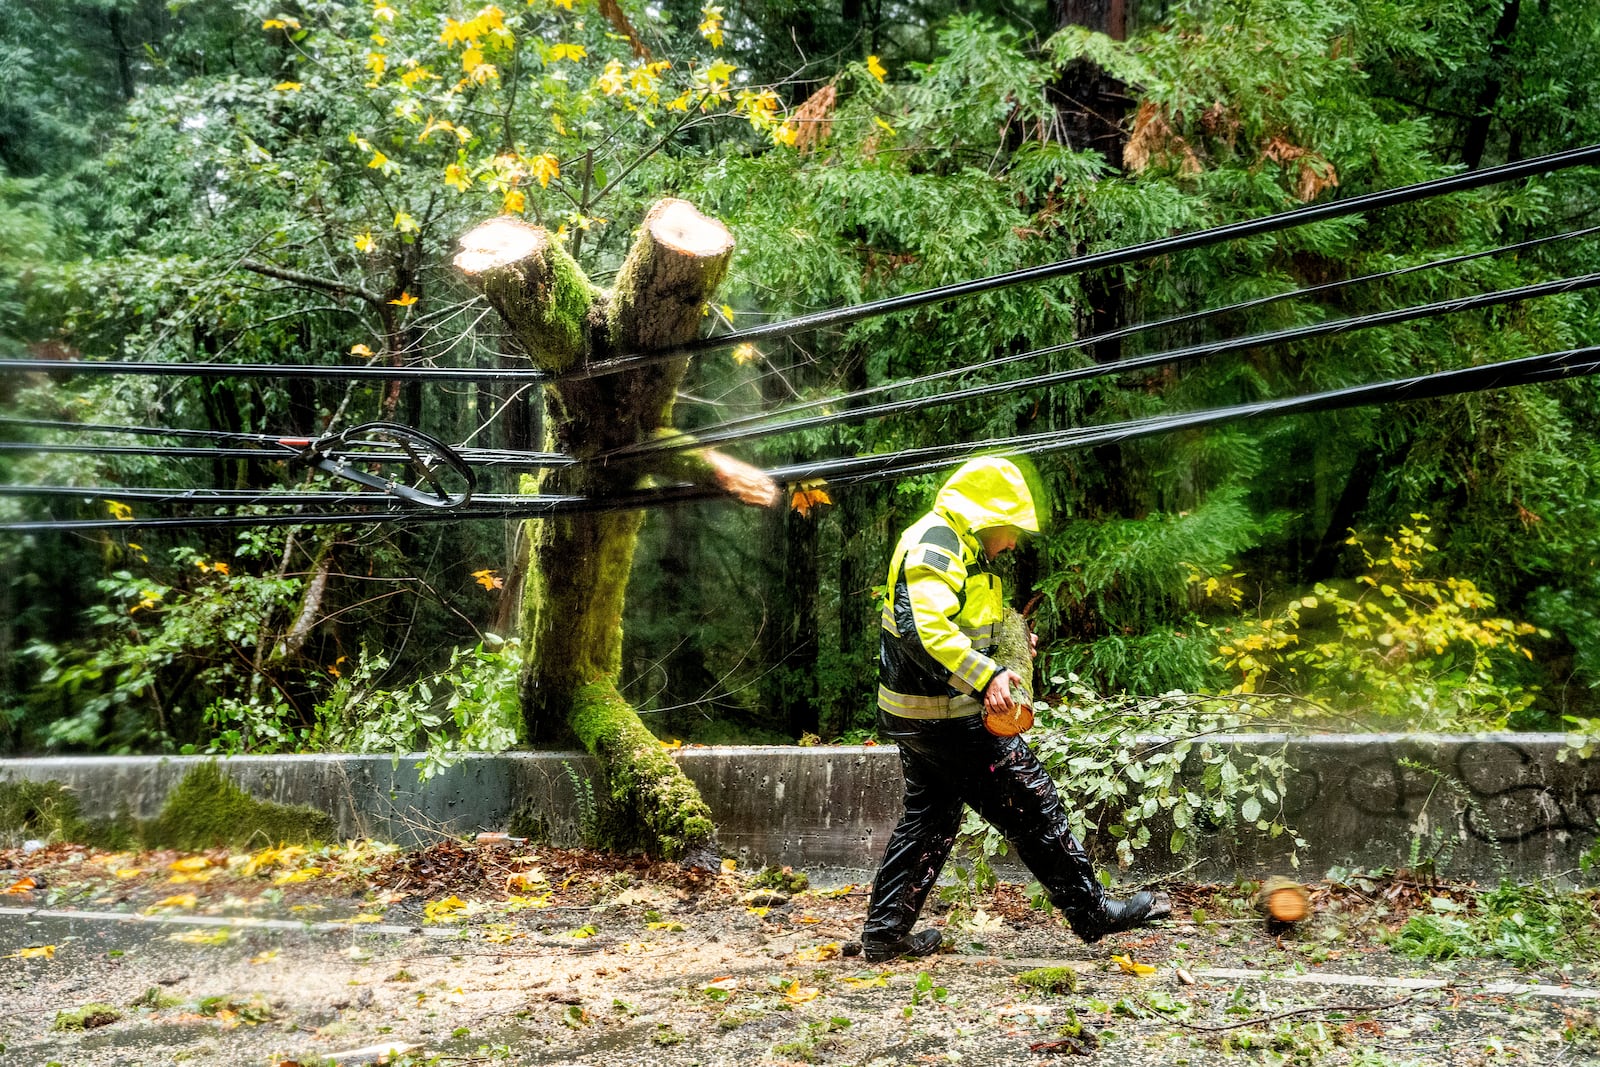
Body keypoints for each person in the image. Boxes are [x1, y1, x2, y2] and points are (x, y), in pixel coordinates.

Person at [861, 455, 1169, 962]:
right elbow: (924, 628)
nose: (1013, 543)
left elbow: (960, 624)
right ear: (988, 516)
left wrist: (1008, 650)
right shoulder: (936, 543)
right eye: (1012, 531)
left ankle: (885, 933)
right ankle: (1093, 913)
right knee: (1035, 804)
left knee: (930, 818)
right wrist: (988, 676)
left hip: (921, 715)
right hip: (948, 717)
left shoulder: (956, 546)